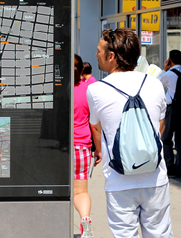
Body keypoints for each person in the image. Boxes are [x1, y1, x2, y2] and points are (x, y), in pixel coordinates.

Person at [87, 28, 173, 238]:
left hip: (119, 180)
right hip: (155, 178)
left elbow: (97, 128)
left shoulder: (96, 90)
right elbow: (159, 128)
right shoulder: (155, 84)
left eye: (99, 51)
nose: (96, 54)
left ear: (111, 56)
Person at [73, 54, 99, 238]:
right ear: (82, 70)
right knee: (80, 190)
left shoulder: (58, 89)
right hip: (81, 145)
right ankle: (85, 219)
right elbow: (94, 125)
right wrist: (98, 150)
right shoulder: (89, 89)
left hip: (59, 148)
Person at [159, 50, 181, 178]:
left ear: (170, 60)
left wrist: (164, 70)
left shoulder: (170, 74)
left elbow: (157, 84)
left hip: (172, 109)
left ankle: (170, 166)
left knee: (166, 138)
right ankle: (180, 168)